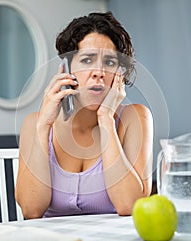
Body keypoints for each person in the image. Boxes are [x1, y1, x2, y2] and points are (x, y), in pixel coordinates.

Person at [15, 11, 153, 219]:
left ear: (119, 74)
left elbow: (130, 206)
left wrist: (106, 118)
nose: (99, 72)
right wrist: (44, 125)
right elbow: (31, 210)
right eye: (87, 60)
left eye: (109, 63)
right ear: (67, 68)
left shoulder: (136, 118)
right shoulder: (34, 123)